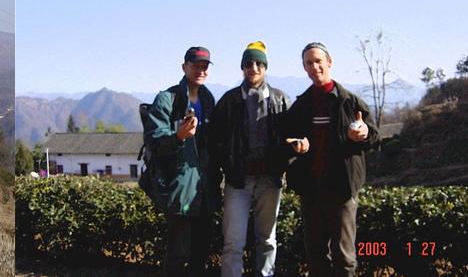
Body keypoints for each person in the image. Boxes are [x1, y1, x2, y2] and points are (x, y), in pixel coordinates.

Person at [285, 42, 379, 276]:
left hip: (342, 188)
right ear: (304, 68)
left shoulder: (350, 102)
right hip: (311, 188)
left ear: (330, 62)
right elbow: (286, 140)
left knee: (344, 257)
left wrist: (363, 133)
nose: (314, 66)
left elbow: (375, 136)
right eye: (309, 63)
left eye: (318, 61)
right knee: (315, 254)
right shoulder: (301, 105)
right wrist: (295, 145)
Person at [208, 41, 292, 277]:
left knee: (267, 239)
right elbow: (215, 140)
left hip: (270, 179)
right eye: (248, 63)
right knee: (233, 243)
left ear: (265, 67)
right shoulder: (229, 101)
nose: (253, 67)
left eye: (258, 63)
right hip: (238, 180)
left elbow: (292, 136)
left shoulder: (280, 100)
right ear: (242, 68)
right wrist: (227, 165)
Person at [142, 46, 218, 276]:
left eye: (204, 67)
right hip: (179, 187)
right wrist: (178, 137)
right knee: (178, 254)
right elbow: (154, 141)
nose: (200, 70)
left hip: (204, 188)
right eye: (195, 65)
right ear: (184, 67)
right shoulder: (168, 99)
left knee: (201, 253)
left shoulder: (208, 99)